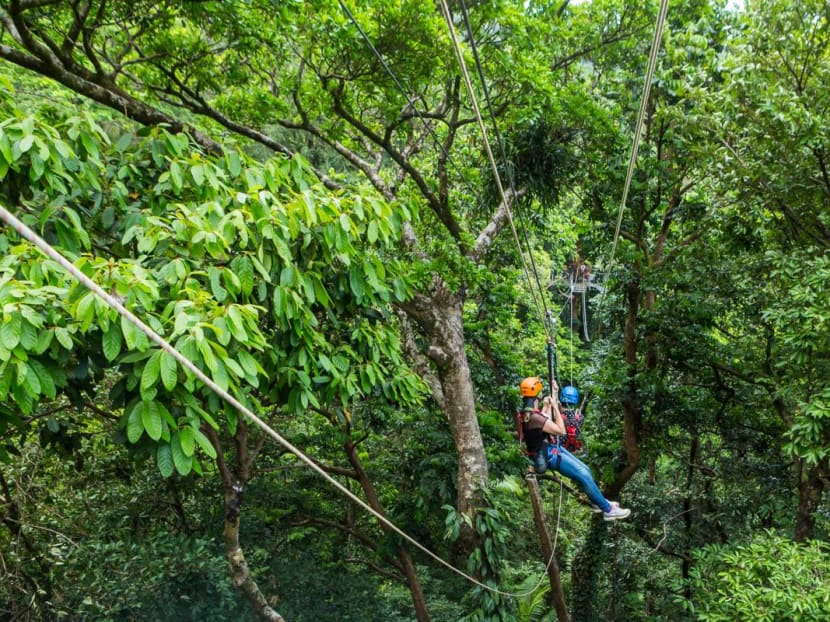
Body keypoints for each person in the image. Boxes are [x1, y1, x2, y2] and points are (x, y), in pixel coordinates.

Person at [518, 376, 630, 521]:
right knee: (583, 475)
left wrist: (554, 394)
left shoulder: (528, 413)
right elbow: (560, 430)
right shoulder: (533, 417)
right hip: (548, 455)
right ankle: (608, 510)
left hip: (549, 448)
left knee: (586, 470)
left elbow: (543, 417)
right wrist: (556, 409)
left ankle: (598, 502)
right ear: (538, 394)